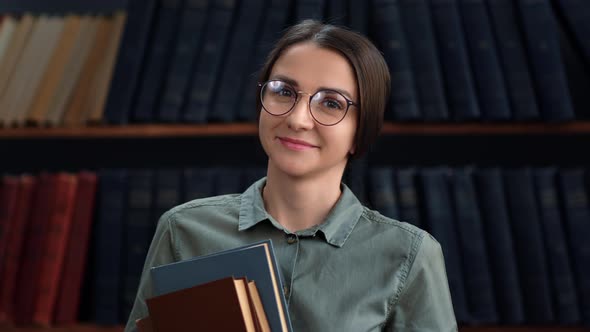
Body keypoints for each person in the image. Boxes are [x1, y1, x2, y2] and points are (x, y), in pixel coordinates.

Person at [125, 20, 457, 331]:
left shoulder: (409, 254)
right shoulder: (183, 231)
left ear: (361, 130)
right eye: (283, 91)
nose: (298, 119)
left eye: (331, 103)